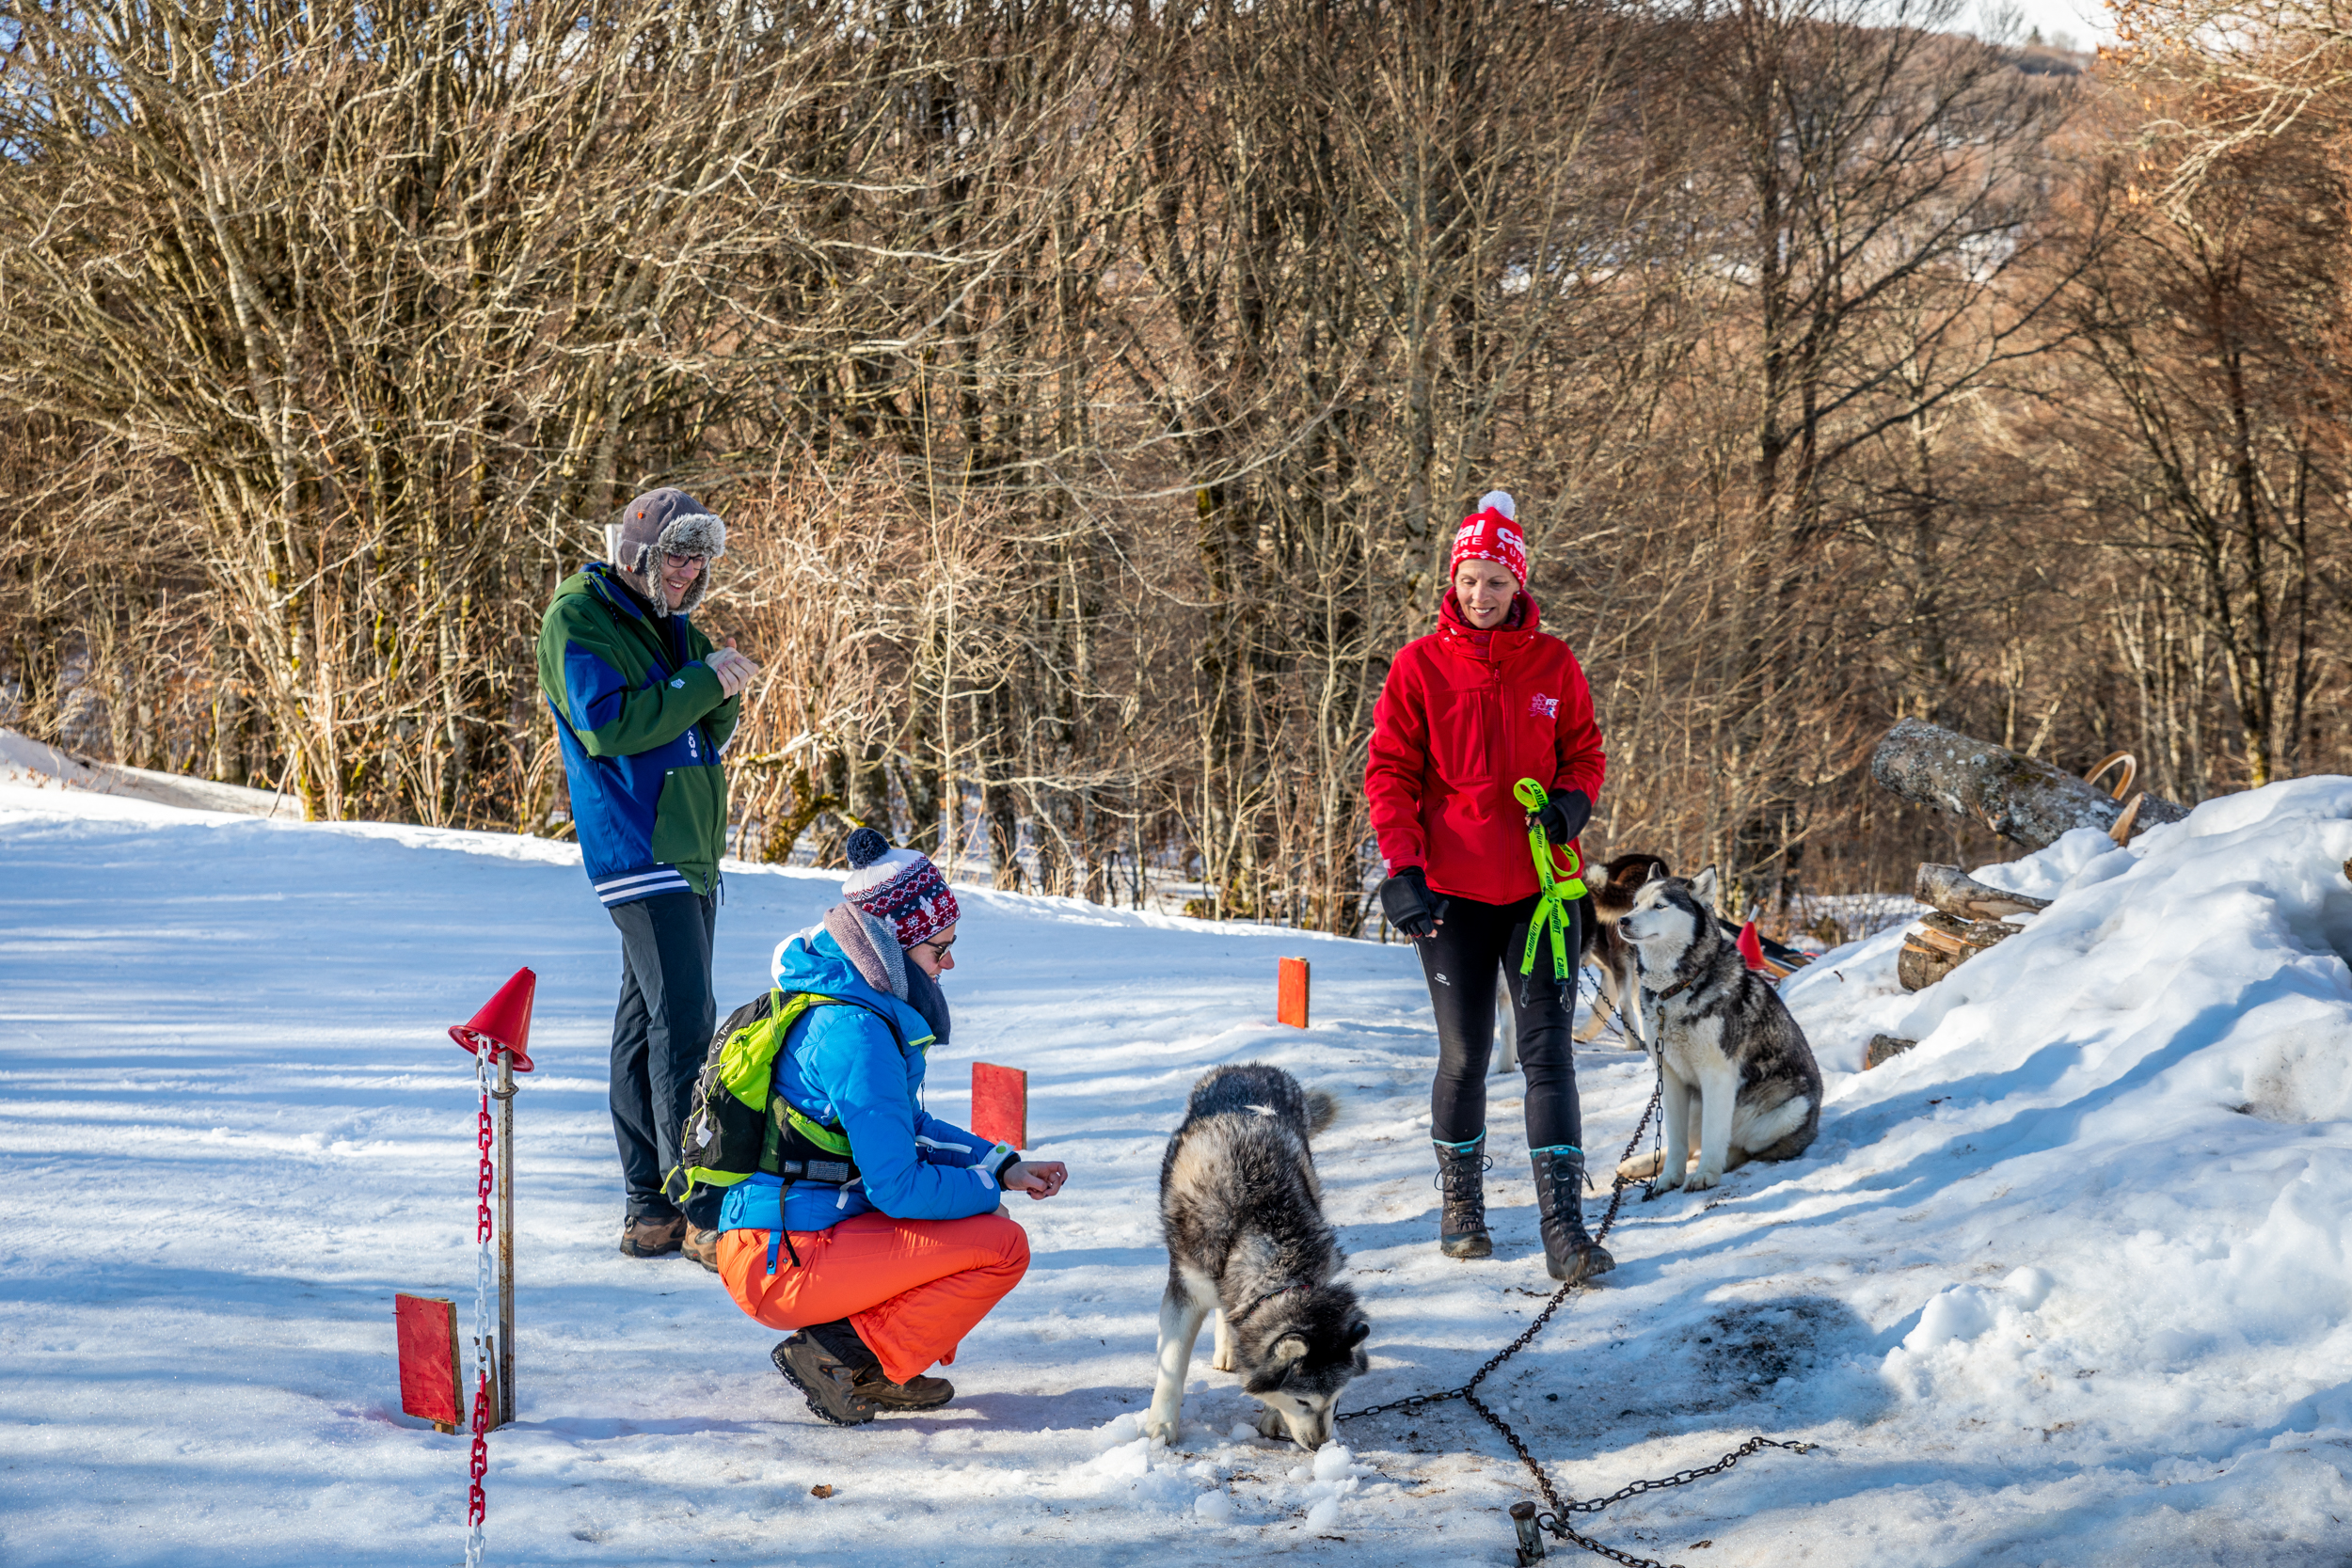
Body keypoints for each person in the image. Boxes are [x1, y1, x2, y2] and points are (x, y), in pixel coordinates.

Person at [715, 828, 1069, 1426]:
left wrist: (1000, 1165)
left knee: (983, 1223)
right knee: (1000, 1244)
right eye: (940, 947)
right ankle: (842, 1359)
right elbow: (898, 1187)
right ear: (893, 946)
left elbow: (910, 1126)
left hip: (794, 1235)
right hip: (781, 1257)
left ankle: (862, 1360)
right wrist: (991, 1187)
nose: (949, 961)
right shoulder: (854, 1032)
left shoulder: (850, 1004)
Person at [1364, 489, 1613, 1283]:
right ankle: (1463, 1205)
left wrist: (1570, 805)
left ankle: (1564, 1228)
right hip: (1452, 898)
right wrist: (1402, 869)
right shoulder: (1419, 667)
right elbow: (1391, 773)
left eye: (1496, 582)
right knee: (1467, 1054)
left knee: (1548, 1056)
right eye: (1470, 579)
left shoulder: (1553, 663)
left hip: (1543, 897)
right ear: (1454, 578)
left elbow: (1586, 753)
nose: (1481, 595)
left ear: (1518, 586)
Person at [536, 486, 759, 1265]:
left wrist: (715, 688)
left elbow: (704, 723)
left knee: (645, 1027)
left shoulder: (673, 626)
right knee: (687, 1024)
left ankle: (649, 1207)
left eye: (699, 557)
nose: (689, 570)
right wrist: (703, 684)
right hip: (640, 844)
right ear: (637, 553)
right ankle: (697, 1206)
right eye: (677, 553)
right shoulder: (581, 615)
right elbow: (611, 725)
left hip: (689, 847)